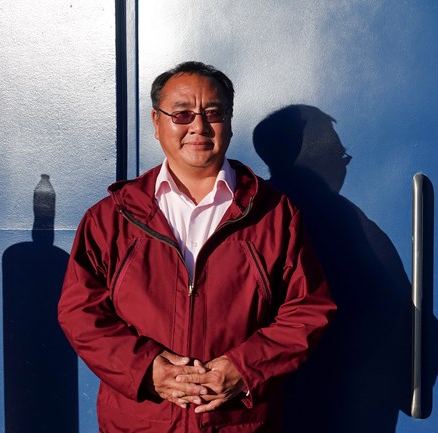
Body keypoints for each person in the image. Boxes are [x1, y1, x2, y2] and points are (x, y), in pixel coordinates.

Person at [57, 61, 336, 433]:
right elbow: (81, 313)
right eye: (183, 114)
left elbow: (307, 310)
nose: (199, 127)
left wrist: (245, 368)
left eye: (214, 113)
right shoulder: (112, 217)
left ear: (230, 123)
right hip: (140, 423)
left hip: (239, 424)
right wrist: (146, 370)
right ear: (157, 123)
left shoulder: (274, 214)